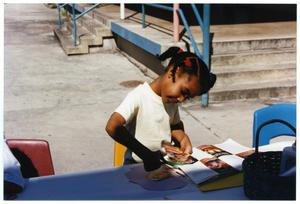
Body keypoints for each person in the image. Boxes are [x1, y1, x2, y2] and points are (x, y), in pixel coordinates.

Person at [106, 46, 216, 172]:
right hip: (137, 166)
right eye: (184, 91)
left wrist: (183, 138)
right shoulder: (139, 96)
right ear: (173, 72)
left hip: (164, 164)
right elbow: (112, 126)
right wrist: (146, 155)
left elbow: (174, 126)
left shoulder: (172, 101)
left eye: (187, 97)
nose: (181, 99)